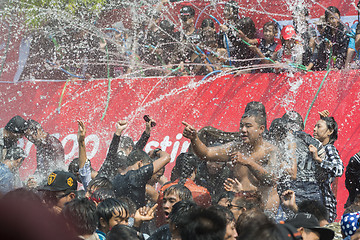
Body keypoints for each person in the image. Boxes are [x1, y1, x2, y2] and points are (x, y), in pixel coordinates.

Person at [182, 109, 279, 214]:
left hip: (264, 212)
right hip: (240, 208)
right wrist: (194, 138)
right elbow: (206, 154)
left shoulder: (271, 151)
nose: (243, 130)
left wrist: (249, 162)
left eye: (248, 126)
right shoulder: (235, 147)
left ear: (261, 129)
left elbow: (271, 179)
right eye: (241, 126)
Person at [112, 121, 171, 208]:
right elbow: (167, 157)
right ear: (140, 164)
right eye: (147, 165)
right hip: (136, 219)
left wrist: (146, 132)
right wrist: (157, 151)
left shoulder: (117, 177)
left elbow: (112, 154)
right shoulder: (137, 176)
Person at [309, 112, 343, 222]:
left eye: (318, 126)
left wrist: (319, 160)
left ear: (330, 131)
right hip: (317, 202)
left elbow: (339, 169)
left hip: (325, 205)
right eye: (314, 126)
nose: (314, 129)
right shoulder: (318, 148)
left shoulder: (329, 148)